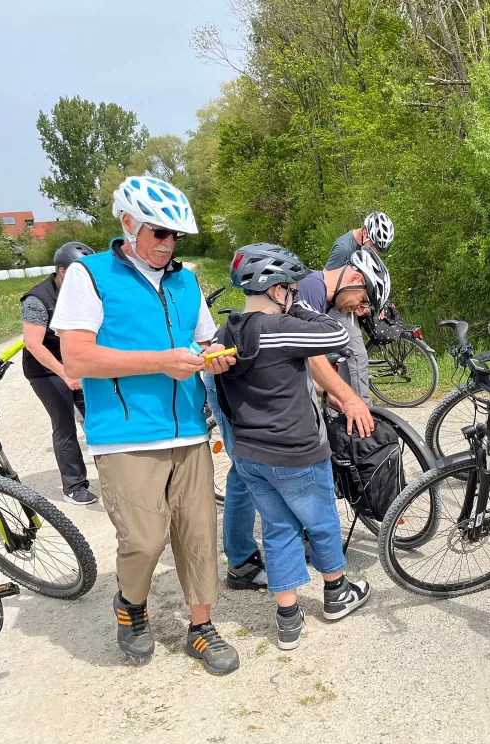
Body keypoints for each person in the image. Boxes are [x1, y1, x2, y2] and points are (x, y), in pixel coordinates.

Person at [53, 175, 241, 675]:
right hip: (126, 433)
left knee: (199, 534)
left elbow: (202, 340)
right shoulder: (89, 275)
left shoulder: (185, 279)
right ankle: (131, 605)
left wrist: (213, 357)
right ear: (128, 222)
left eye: (175, 236)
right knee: (144, 540)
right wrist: (160, 361)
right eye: (158, 232)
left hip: (189, 430)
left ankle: (200, 628)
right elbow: (76, 358)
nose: (167, 244)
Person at [215, 244, 374, 651]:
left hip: (250, 452)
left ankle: (288, 619)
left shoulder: (227, 331)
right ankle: (336, 593)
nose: (293, 294)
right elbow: (337, 335)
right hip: (296, 449)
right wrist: (300, 307)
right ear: (276, 288)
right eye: (290, 287)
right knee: (320, 520)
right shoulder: (278, 327)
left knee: (278, 529)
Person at [21, 242, 97, 505]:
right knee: (64, 424)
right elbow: (33, 344)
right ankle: (74, 487)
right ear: (62, 271)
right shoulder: (37, 299)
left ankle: (115, 478)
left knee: (98, 419)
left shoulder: (86, 293)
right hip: (46, 370)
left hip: (79, 363)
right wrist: (66, 374)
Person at [296, 244, 392, 406]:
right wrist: (349, 399)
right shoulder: (312, 288)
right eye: (363, 300)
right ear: (354, 279)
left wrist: (329, 393)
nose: (359, 309)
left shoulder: (321, 295)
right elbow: (308, 356)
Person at [203, 373, 268, 591]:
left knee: (253, 468)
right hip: (232, 382)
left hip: (260, 380)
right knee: (245, 471)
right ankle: (242, 563)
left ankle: (244, 560)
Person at [323, 212, 395, 403]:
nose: (375, 251)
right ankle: (364, 407)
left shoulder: (364, 246)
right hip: (335, 309)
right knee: (358, 356)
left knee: (348, 359)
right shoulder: (343, 248)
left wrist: (363, 304)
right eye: (374, 245)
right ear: (364, 232)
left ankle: (344, 403)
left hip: (349, 307)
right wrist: (353, 305)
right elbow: (328, 284)